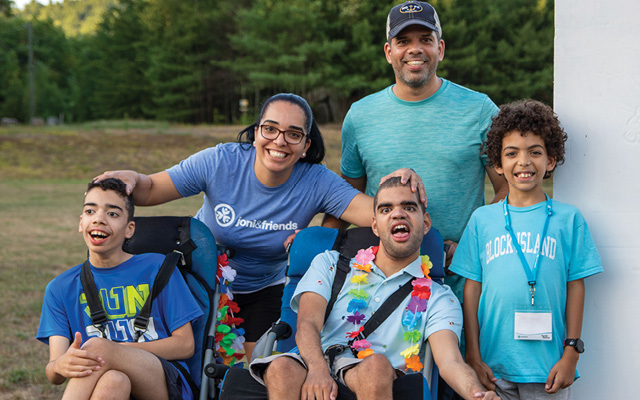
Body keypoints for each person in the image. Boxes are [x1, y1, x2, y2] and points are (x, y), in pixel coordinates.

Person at [93, 93, 424, 360]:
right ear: (256, 133)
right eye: (270, 129)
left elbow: (379, 214)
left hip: (266, 288)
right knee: (197, 369)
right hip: (203, 285)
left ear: (306, 144)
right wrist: (131, 178)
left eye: (294, 134)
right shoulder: (220, 162)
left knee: (255, 373)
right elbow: (152, 188)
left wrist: (401, 188)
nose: (280, 141)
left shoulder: (316, 180)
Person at [323, 1, 509, 305]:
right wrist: (316, 243)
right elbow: (347, 199)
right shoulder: (360, 116)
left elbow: (507, 190)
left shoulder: (479, 110)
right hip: (381, 281)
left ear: (441, 48)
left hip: (460, 281)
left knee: (460, 355)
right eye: (403, 41)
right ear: (388, 52)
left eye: (425, 39)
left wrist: (470, 247)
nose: (415, 49)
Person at [249, 177, 499, 400]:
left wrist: (476, 394)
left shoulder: (439, 297)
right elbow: (307, 324)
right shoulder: (331, 263)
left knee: (375, 366)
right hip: (316, 361)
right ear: (376, 225)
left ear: (425, 223)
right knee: (281, 369)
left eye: (409, 207)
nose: (398, 214)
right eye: (386, 209)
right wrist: (317, 370)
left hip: (378, 377)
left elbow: (451, 361)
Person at [449, 100, 603, 399]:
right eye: (511, 153)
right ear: (497, 164)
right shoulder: (483, 219)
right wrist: (473, 354)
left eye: (535, 151)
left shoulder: (568, 219)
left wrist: (572, 352)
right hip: (493, 369)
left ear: (551, 160)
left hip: (548, 370)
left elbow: (575, 286)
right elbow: (471, 290)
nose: (523, 162)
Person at [36, 178, 204, 400]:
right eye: (90, 211)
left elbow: (185, 345)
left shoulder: (158, 268)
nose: (99, 219)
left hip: (163, 382)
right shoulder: (60, 288)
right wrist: (60, 365)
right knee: (114, 381)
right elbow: (53, 372)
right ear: (80, 222)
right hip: (106, 380)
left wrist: (117, 351)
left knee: (98, 348)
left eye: (112, 214)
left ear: (129, 229)